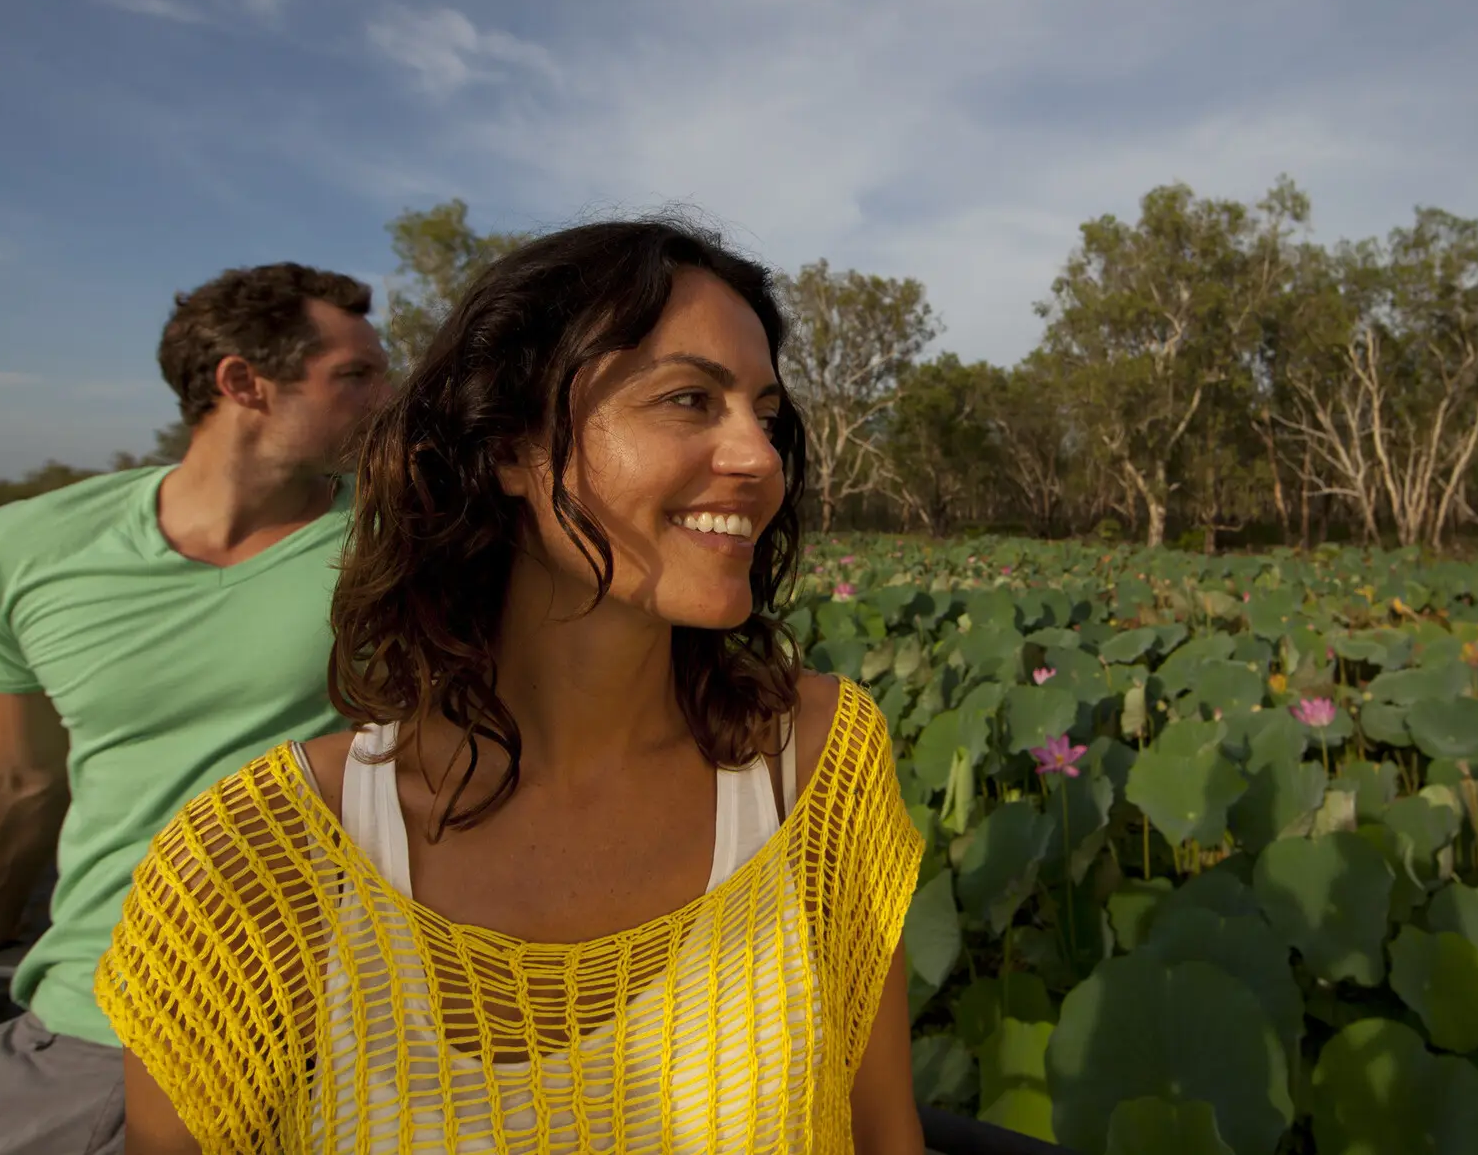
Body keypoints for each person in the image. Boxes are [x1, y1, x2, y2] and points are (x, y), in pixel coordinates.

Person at [97, 218, 926, 1154]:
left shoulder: (817, 774)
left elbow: (885, 1137)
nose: (760, 458)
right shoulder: (257, 865)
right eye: (691, 399)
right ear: (505, 450)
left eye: (766, 415)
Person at [0, 263, 392, 1155]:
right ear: (243, 384)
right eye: (354, 376)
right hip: (95, 1010)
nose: (387, 398)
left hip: (329, 1024)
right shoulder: (25, 545)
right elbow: (14, 770)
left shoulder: (407, 543)